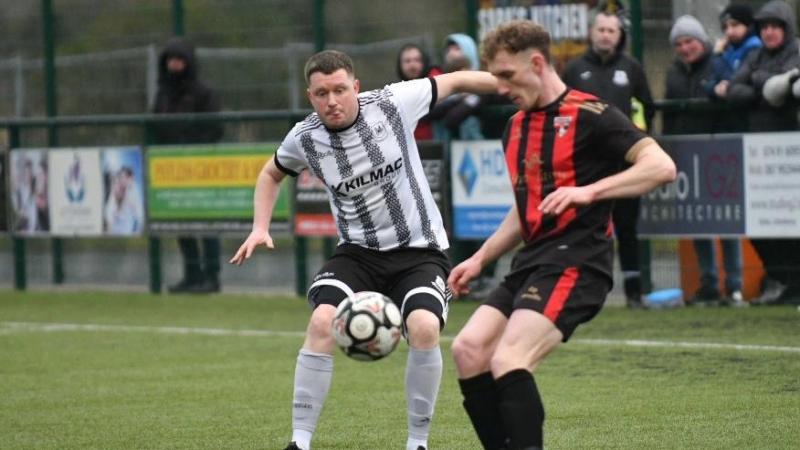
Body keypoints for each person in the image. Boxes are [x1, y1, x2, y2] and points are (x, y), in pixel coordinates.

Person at [229, 50, 497, 450]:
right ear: (311, 96)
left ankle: (417, 443)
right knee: (322, 322)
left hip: (419, 251)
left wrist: (518, 86)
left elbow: (456, 80)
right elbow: (271, 174)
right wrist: (260, 227)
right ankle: (298, 443)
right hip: (358, 253)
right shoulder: (305, 138)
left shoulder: (393, 103)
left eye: (339, 89)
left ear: (355, 87)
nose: (332, 100)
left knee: (423, 327)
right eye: (322, 93)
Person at [447, 21, 676, 450]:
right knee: (468, 349)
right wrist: (480, 259)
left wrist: (589, 191)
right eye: (494, 77)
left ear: (537, 63)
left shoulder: (594, 115)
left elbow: (661, 167)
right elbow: (525, 210)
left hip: (579, 260)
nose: (500, 87)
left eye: (507, 76)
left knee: (509, 360)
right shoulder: (514, 127)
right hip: (533, 260)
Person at [562, 6, 655, 308]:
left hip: (624, 164)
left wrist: (635, 138)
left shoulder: (632, 68)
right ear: (591, 33)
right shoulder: (575, 70)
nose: (605, 35)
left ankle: (633, 292)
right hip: (586, 164)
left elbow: (646, 107)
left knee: (627, 227)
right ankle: (584, 292)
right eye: (600, 30)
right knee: (585, 229)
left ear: (619, 35)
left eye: (611, 30)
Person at [663, 15, 747, 307]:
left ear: (701, 41)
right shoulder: (673, 73)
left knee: (727, 219)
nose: (685, 48)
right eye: (679, 44)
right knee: (698, 221)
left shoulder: (719, 62)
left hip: (720, 154)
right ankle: (709, 283)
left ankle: (734, 285)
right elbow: (669, 115)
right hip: (687, 153)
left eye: (690, 41)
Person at [728, 0, 800, 304]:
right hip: (760, 155)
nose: (769, 32)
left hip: (791, 156)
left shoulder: (796, 51)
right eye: (765, 27)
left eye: (775, 26)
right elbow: (734, 90)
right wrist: (765, 86)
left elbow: (787, 92)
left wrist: (758, 86)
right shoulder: (755, 55)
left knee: (793, 221)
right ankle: (786, 279)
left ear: (786, 28)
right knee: (758, 224)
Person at [152, 37, 224, 294]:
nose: (175, 65)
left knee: (206, 223)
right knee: (181, 222)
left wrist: (193, 146)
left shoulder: (204, 92)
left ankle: (211, 277)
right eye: (171, 60)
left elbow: (216, 128)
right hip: (171, 168)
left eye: (180, 60)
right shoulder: (162, 93)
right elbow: (155, 126)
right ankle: (191, 275)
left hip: (200, 166)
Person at [396, 43, 442, 140]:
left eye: (417, 60)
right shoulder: (399, 89)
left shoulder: (436, 79)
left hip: (437, 144)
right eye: (407, 61)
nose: (412, 65)